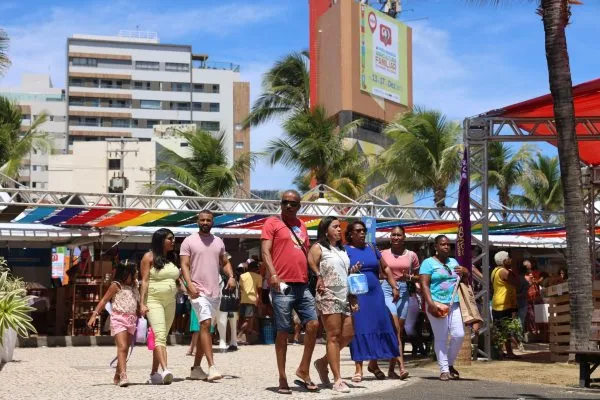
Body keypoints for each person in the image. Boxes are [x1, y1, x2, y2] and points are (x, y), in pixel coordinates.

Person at [261, 189, 319, 394]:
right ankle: (282, 376)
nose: (288, 206)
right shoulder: (272, 223)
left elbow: (306, 253)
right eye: (285, 202)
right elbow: (265, 250)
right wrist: (273, 274)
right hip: (282, 284)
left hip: (302, 284)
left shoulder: (302, 225)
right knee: (283, 331)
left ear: (299, 206)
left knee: (313, 324)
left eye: (293, 203)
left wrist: (318, 274)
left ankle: (303, 369)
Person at [344, 220, 403, 383]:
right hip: (358, 293)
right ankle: (358, 368)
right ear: (350, 234)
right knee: (360, 328)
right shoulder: (345, 249)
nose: (362, 233)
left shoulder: (372, 247)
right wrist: (350, 270)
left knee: (378, 325)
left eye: (363, 230)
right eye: (358, 231)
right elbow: (341, 271)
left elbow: (385, 268)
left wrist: (394, 286)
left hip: (376, 293)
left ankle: (374, 364)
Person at [181, 210, 236, 382]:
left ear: (213, 222)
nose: (205, 222)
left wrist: (232, 276)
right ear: (197, 221)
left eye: (208, 220)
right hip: (197, 291)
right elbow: (184, 265)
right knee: (205, 324)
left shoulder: (218, 241)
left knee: (206, 329)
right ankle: (212, 367)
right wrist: (189, 284)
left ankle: (196, 369)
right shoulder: (188, 241)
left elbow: (225, 261)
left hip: (215, 292)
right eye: (202, 220)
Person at [309, 217, 358, 393]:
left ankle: (322, 362)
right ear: (325, 230)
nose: (339, 230)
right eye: (335, 227)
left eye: (340, 227)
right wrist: (318, 275)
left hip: (344, 294)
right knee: (333, 336)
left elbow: (342, 272)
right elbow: (311, 262)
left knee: (349, 333)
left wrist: (352, 275)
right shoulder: (318, 247)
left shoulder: (341, 249)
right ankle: (338, 379)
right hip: (327, 294)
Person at [420, 235, 469, 381]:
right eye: (442, 244)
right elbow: (424, 285)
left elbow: (462, 280)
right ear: (435, 247)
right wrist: (431, 305)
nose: (446, 247)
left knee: (459, 334)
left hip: (454, 303)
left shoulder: (453, 261)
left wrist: (465, 272)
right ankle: (444, 369)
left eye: (448, 244)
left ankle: (449, 363)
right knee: (441, 337)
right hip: (437, 304)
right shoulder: (428, 263)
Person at [87, 261, 139, 387]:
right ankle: (123, 375)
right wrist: (94, 315)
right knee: (122, 347)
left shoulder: (135, 286)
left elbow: (138, 300)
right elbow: (104, 300)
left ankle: (117, 372)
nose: (136, 275)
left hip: (132, 320)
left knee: (125, 349)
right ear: (125, 273)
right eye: (133, 273)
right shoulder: (116, 285)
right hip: (118, 319)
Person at [140, 228, 179, 384]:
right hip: (154, 300)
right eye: (170, 238)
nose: (173, 241)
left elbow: (177, 279)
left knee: (162, 337)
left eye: (173, 238)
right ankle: (165, 370)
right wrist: (142, 303)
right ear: (161, 240)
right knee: (160, 335)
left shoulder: (172, 258)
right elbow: (144, 281)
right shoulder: (148, 257)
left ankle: (154, 373)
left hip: (171, 301)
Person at [380, 226, 418, 379]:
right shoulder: (383, 254)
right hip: (386, 288)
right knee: (395, 328)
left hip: (403, 291)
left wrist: (408, 277)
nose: (396, 237)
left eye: (399, 235)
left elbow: (418, 276)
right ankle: (402, 367)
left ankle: (390, 369)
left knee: (398, 332)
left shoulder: (411, 256)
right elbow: (378, 273)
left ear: (404, 237)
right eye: (393, 235)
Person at [491, 250, 519, 359]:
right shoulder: (504, 272)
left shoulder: (495, 270)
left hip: (496, 302)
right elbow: (517, 282)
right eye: (508, 258)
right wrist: (512, 271)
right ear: (504, 261)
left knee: (499, 329)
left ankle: (499, 352)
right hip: (504, 304)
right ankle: (508, 352)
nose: (510, 260)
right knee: (506, 329)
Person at [238, 259, 263, 344]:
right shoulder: (258, 277)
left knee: (243, 319)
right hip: (252, 300)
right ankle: (239, 335)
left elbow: (240, 290)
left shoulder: (242, 276)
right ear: (255, 268)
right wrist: (260, 301)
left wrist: (239, 300)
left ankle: (246, 339)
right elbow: (259, 290)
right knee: (248, 320)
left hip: (243, 300)